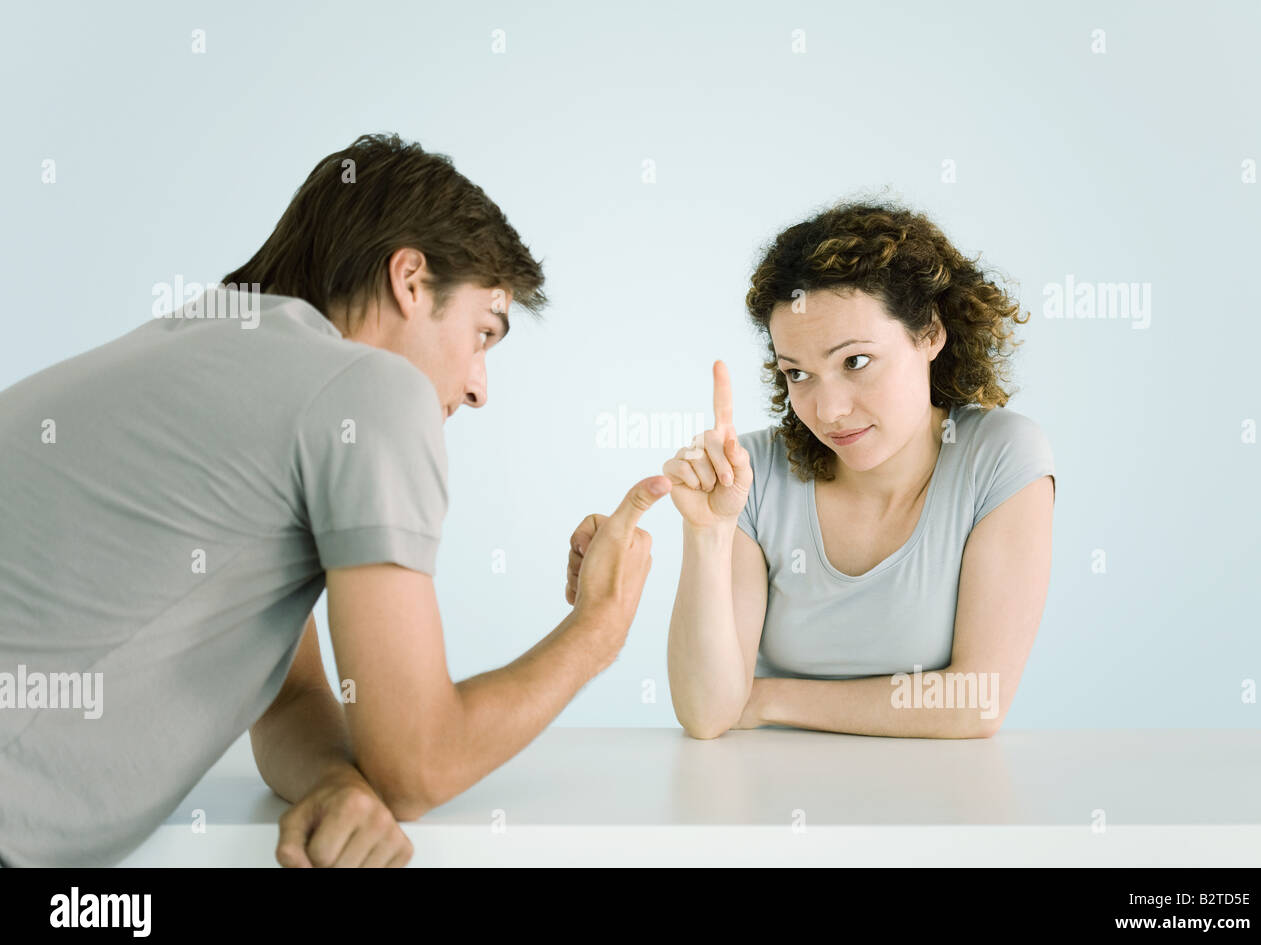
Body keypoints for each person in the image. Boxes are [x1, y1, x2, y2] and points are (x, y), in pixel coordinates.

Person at [0, 133, 669, 867]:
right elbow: (418, 762)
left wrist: (331, 780)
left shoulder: (209, 347)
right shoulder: (369, 390)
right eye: (482, 332)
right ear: (410, 280)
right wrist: (598, 629)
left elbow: (287, 694)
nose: (479, 385)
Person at [643, 200, 1055, 739]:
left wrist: (765, 697)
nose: (828, 409)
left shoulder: (1000, 456)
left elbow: (975, 702)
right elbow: (705, 713)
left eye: (855, 362)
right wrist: (708, 535)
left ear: (929, 333)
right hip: (765, 806)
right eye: (798, 373)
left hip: (938, 811)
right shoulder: (750, 476)